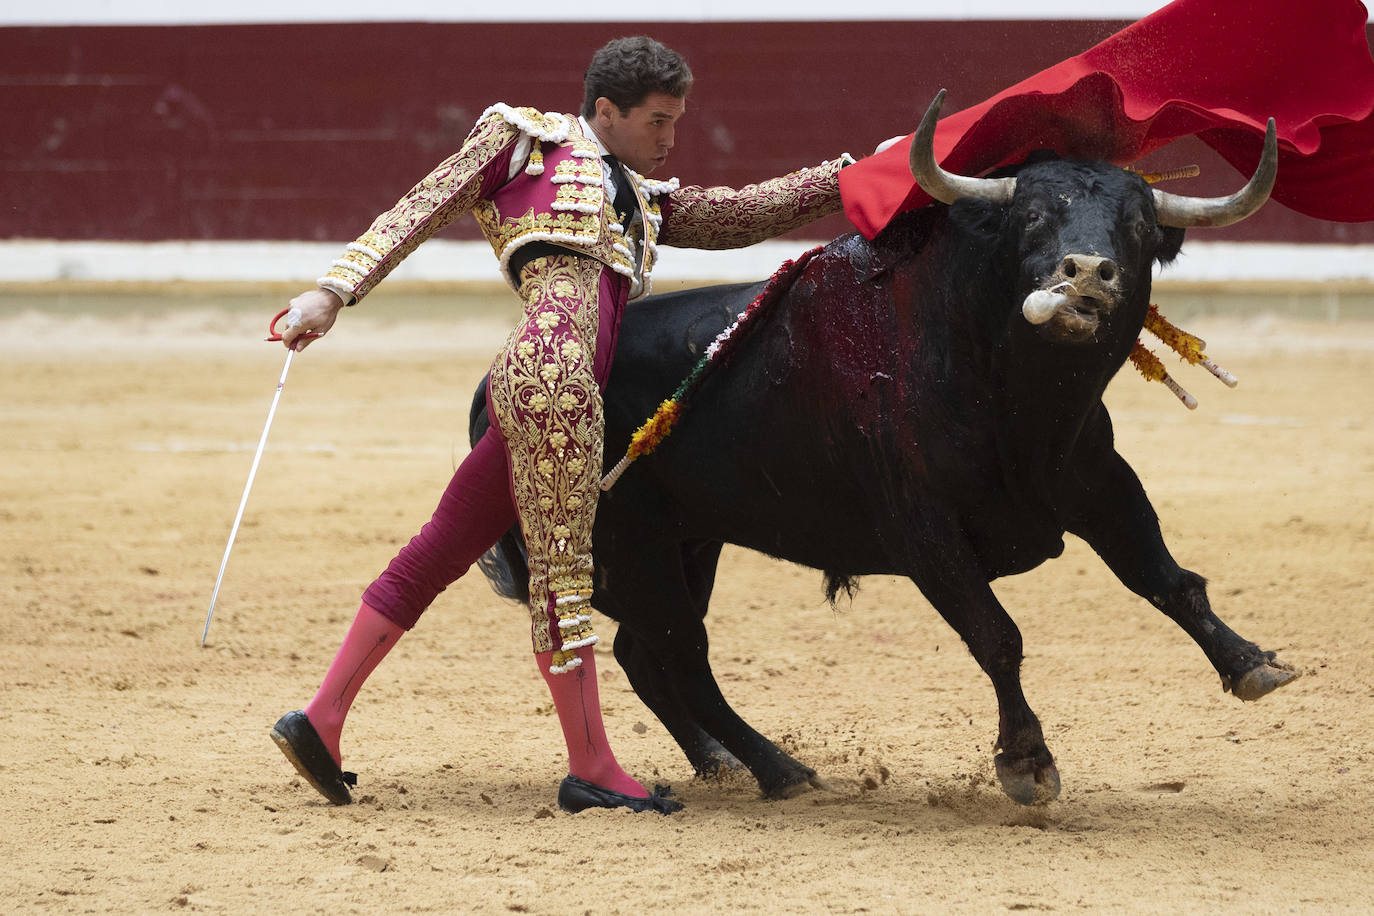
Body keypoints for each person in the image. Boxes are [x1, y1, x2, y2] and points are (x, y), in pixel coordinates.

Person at [269, 35, 854, 814]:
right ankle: (593, 768)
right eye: (657, 121)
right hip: (558, 383)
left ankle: (321, 718)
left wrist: (853, 175)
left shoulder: (642, 198)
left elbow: (742, 214)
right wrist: (332, 293)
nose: (669, 137)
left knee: (441, 546)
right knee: (563, 578)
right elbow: (421, 204)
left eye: (676, 121)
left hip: (551, 384)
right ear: (605, 111)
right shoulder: (525, 143)